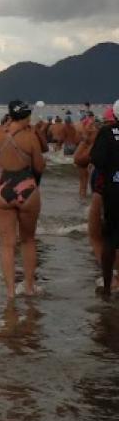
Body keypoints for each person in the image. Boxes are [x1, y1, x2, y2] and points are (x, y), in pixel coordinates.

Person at [0, 100, 46, 301]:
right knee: (28, 240)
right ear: (25, 117)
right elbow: (39, 166)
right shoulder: (30, 137)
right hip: (27, 188)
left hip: (2, 188)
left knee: (6, 244)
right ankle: (30, 287)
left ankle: (10, 293)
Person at [88, 102, 119, 297]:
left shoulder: (107, 133)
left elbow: (97, 160)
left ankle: (108, 287)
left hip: (114, 190)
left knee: (111, 238)